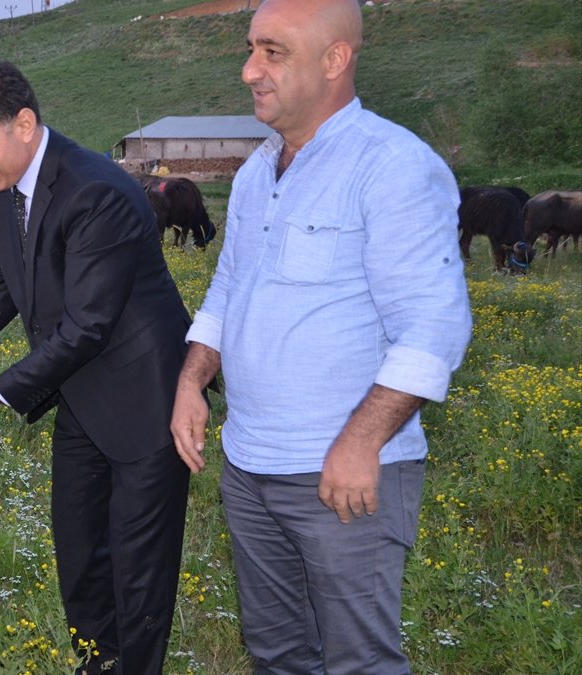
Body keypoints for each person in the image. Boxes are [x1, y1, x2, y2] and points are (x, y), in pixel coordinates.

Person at [169, 1, 472, 673]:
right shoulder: (256, 173)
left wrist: (362, 442)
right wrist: (192, 380)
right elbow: (226, 290)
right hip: (249, 467)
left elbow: (434, 324)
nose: (250, 70)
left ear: (335, 60)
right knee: (277, 651)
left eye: (273, 52)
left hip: (344, 474)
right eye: (251, 49)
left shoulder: (392, 166)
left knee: (359, 659)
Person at [0, 60, 195, 674]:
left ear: (24, 124)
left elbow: (88, 325)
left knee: (138, 568)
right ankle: (97, 664)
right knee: (79, 553)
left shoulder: (96, 190)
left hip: (146, 402)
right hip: (81, 395)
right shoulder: (7, 191)